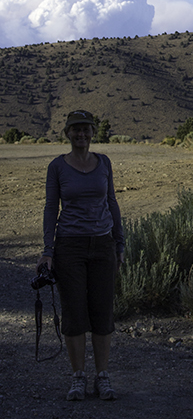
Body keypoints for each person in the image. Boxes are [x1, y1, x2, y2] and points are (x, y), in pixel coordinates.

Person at [36, 110, 124, 401]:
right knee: (73, 313)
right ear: (67, 133)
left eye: (86, 129)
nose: (81, 134)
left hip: (102, 245)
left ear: (92, 132)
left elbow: (112, 201)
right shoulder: (57, 167)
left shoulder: (104, 163)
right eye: (76, 129)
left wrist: (119, 243)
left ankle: (102, 377)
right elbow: (51, 209)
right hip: (69, 248)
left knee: (102, 312)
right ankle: (77, 378)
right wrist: (48, 252)